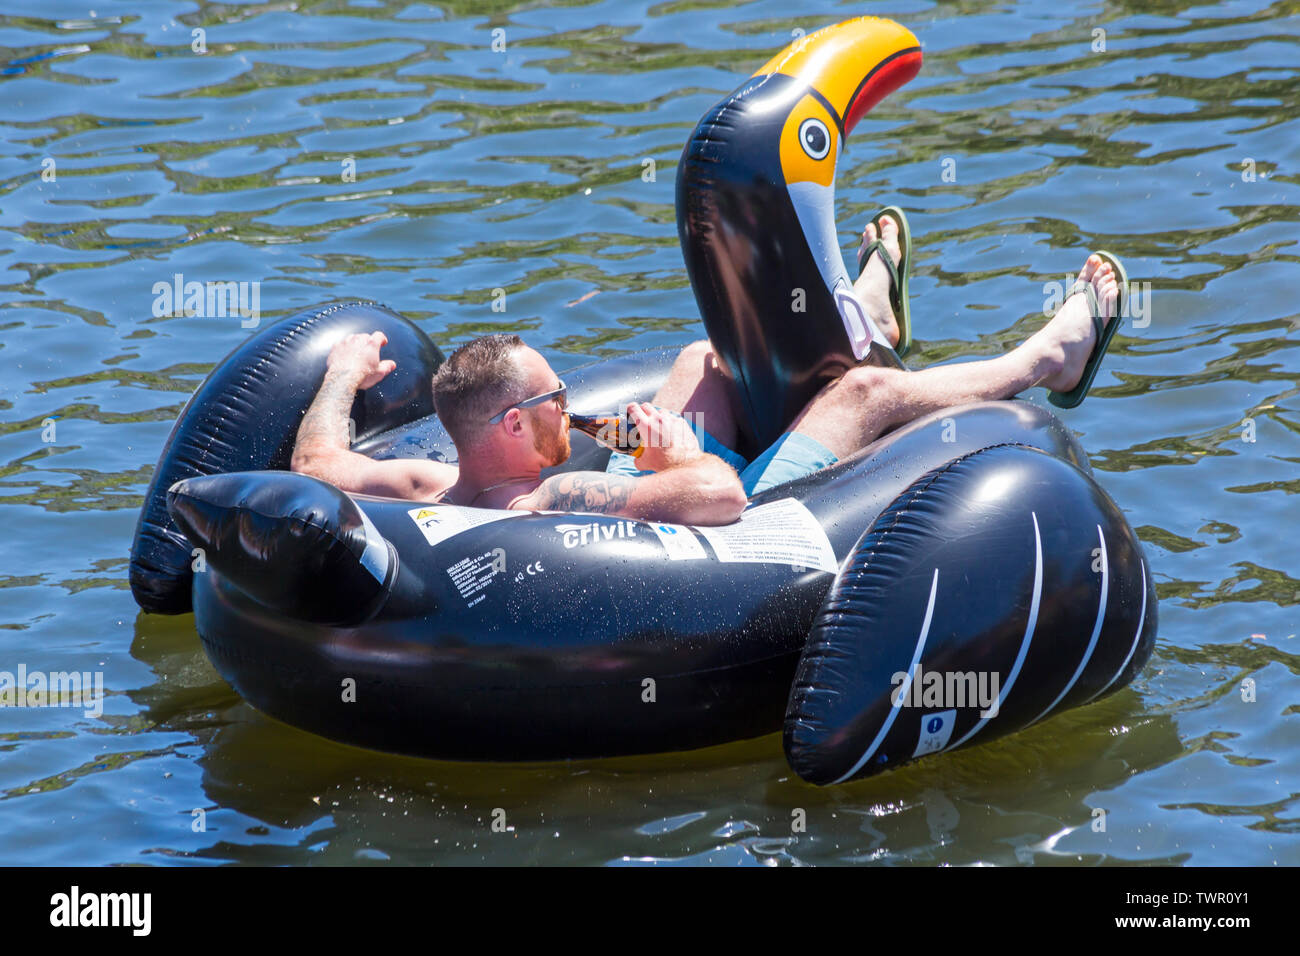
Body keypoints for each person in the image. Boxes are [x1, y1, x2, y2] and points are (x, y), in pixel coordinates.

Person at [290, 213, 1120, 525]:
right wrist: (669, 459)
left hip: (657, 480)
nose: (568, 404)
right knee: (864, 392)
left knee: (703, 358)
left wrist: (343, 371)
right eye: (553, 398)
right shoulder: (547, 498)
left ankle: (868, 312)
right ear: (512, 425)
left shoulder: (438, 490)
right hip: (745, 518)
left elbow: (315, 464)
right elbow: (721, 498)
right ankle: (1048, 358)